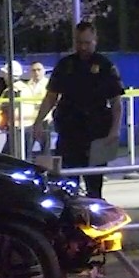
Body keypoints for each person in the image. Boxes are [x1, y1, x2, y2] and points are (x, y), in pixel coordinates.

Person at [33, 22, 125, 197]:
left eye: (87, 43)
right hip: (70, 133)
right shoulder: (65, 65)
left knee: (94, 188)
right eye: (79, 42)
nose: (83, 47)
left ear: (95, 41)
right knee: (66, 187)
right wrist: (38, 122)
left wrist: (114, 131)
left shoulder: (105, 66)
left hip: (97, 134)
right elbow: (51, 97)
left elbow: (116, 103)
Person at [19, 61, 49, 157]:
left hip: (45, 120)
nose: (36, 72)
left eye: (39, 70)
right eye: (34, 70)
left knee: (46, 149)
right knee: (27, 149)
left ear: (43, 71)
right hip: (30, 121)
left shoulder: (49, 85)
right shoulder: (27, 86)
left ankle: (47, 170)